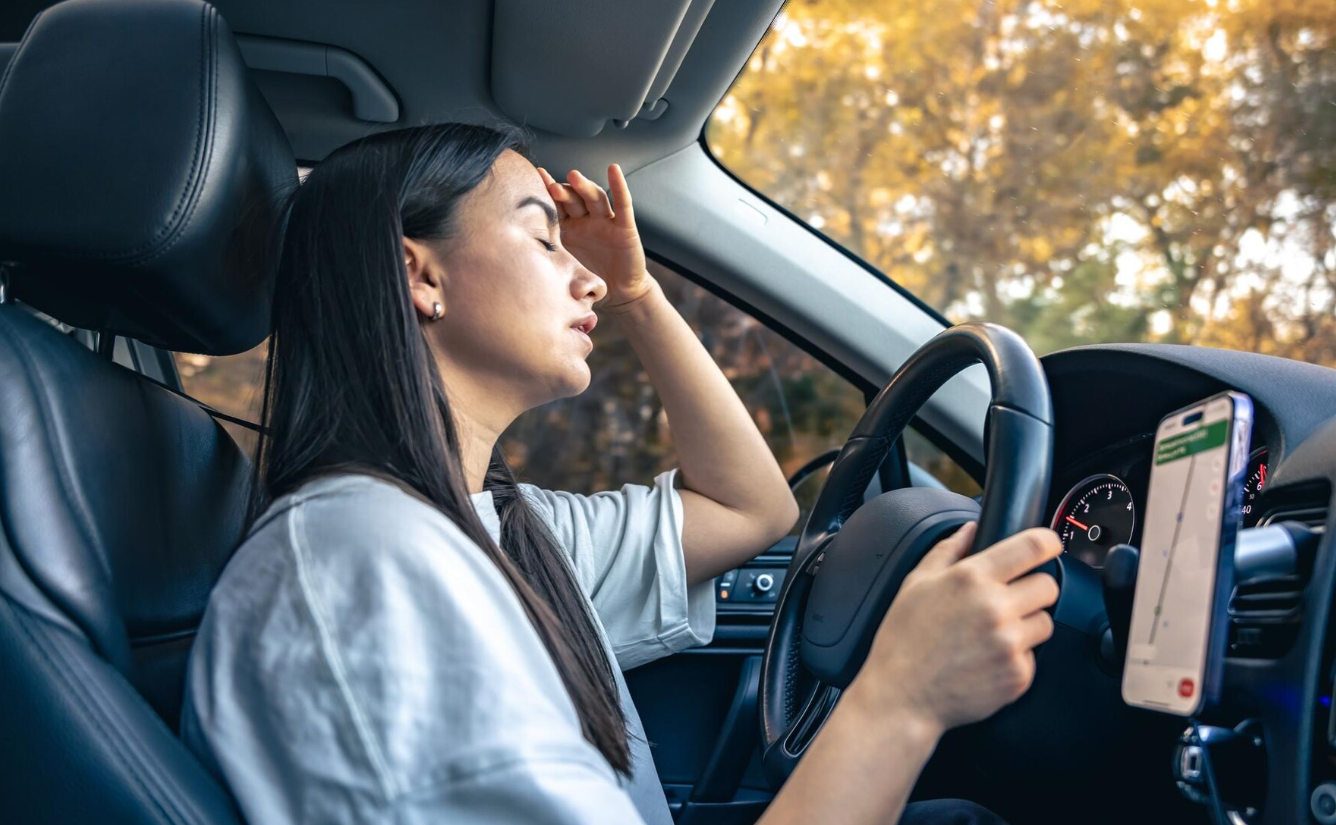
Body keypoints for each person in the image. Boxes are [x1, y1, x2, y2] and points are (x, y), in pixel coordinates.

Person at [181, 123, 1062, 825]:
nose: (589, 280)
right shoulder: (366, 564)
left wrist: (641, 293)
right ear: (420, 272)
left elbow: (746, 505)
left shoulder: (498, 529)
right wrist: (900, 700)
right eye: (543, 236)